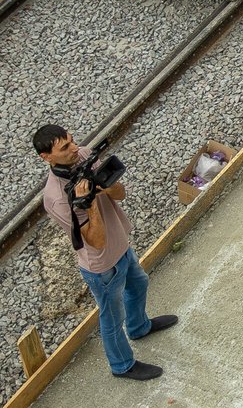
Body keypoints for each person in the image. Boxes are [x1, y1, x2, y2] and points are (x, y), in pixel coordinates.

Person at [34, 125, 177, 381]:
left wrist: (104, 186)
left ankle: (139, 327)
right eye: (65, 147)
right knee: (112, 317)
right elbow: (96, 241)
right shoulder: (56, 198)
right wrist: (87, 202)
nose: (75, 149)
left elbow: (119, 194)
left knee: (140, 283)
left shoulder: (84, 155)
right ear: (46, 157)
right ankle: (122, 365)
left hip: (120, 244)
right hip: (102, 265)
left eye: (72, 141)